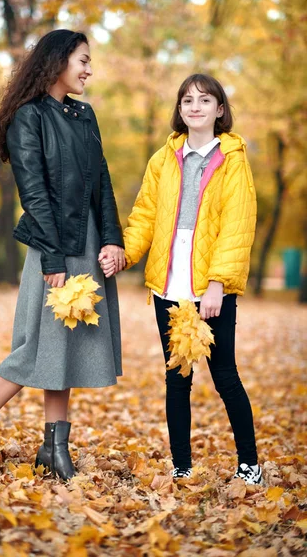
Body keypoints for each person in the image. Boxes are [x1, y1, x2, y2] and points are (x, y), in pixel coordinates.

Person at [0, 29, 126, 480]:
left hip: (90, 240)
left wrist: (112, 239)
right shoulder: (28, 117)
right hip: (52, 244)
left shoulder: (85, 115)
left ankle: (54, 448)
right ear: (57, 61)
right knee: (40, 345)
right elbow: (34, 194)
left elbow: (103, 182)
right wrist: (54, 258)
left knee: (64, 347)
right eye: (83, 60)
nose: (89, 70)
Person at [100, 74, 262, 484]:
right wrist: (125, 254)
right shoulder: (163, 158)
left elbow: (237, 227)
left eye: (204, 100)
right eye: (187, 100)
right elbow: (145, 217)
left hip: (209, 282)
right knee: (177, 378)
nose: (195, 107)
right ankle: (182, 467)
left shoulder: (234, 158)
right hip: (169, 282)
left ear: (219, 109)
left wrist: (217, 285)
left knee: (224, 374)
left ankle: (250, 465)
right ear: (179, 108)